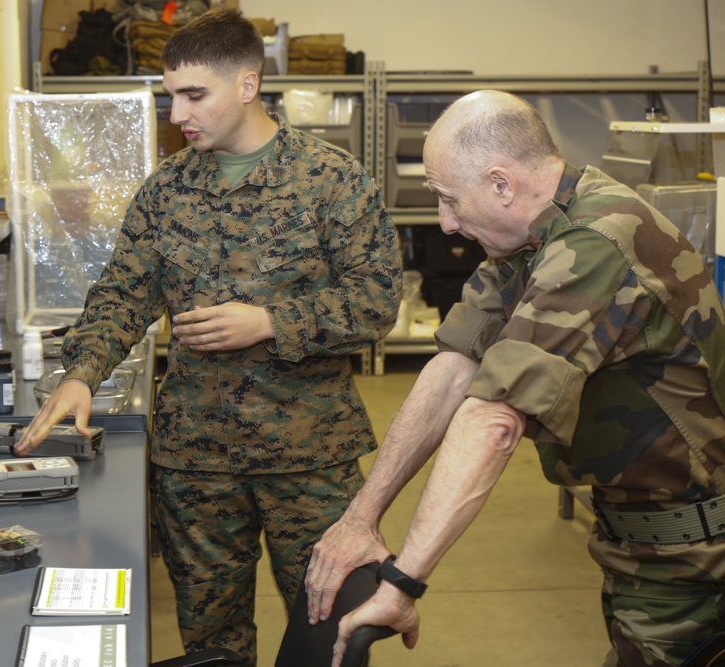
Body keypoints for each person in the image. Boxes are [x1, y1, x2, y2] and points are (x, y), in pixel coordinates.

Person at [14, 9, 402, 665]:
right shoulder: (167, 190)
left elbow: (378, 298)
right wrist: (82, 371)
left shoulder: (330, 180)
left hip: (308, 456)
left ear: (247, 84)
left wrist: (272, 321)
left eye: (194, 94)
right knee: (212, 645)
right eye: (171, 95)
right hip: (198, 461)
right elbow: (123, 291)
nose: (176, 113)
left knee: (334, 633)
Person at [305, 89, 725, 667]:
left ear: (502, 184)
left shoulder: (595, 242)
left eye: (449, 200)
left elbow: (492, 420)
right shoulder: (536, 234)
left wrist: (403, 584)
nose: (446, 225)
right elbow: (454, 369)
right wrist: (361, 519)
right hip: (638, 538)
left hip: (694, 552)